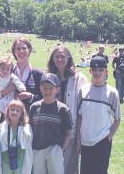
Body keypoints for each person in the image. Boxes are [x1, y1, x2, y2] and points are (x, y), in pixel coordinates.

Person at [47, 46, 88, 174]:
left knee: (70, 167)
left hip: (71, 130)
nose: (59, 59)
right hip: (53, 130)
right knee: (53, 166)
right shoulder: (49, 78)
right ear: (52, 59)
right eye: (57, 56)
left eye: (63, 56)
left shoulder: (79, 78)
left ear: (68, 58)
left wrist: (80, 137)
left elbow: (84, 108)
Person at [77, 56, 121, 174]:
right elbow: (80, 116)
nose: (97, 72)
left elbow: (117, 119)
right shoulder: (83, 90)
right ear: (90, 71)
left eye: (101, 70)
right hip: (85, 141)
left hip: (102, 141)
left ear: (106, 72)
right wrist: (78, 139)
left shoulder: (112, 93)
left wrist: (108, 138)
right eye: (94, 69)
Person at [29, 73, 73, 174]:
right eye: (44, 88)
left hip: (55, 149)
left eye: (50, 88)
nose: (47, 91)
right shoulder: (34, 107)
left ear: (57, 89)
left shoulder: (63, 109)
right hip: (37, 149)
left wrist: (61, 149)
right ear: (40, 88)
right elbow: (30, 128)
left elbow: (69, 133)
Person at [0, 100, 33, 174]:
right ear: (7, 111)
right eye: (12, 109)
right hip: (6, 161)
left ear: (22, 113)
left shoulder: (26, 127)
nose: (14, 112)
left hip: (21, 161)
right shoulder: (1, 127)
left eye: (17, 110)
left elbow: (28, 146)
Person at [0, 56, 26, 126]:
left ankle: (4, 122)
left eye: (7, 69)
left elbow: (18, 82)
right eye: (3, 68)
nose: (5, 71)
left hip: (8, 97)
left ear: (10, 70)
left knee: (1, 112)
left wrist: (22, 89)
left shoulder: (11, 76)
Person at [10, 37, 43, 112]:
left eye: (24, 48)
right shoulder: (7, 73)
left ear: (29, 50)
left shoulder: (38, 74)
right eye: (18, 48)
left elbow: (45, 98)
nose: (21, 51)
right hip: (10, 118)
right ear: (14, 51)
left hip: (31, 119)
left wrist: (31, 96)